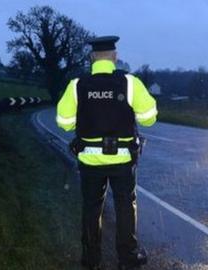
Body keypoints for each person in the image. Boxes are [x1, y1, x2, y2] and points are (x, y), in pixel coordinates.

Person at [56, 36, 158, 270]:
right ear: (114, 57)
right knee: (125, 207)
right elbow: (149, 117)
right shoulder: (130, 83)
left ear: (93, 58)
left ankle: (91, 261)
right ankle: (128, 259)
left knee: (91, 209)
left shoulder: (77, 85)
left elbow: (63, 122)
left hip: (89, 161)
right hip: (122, 160)